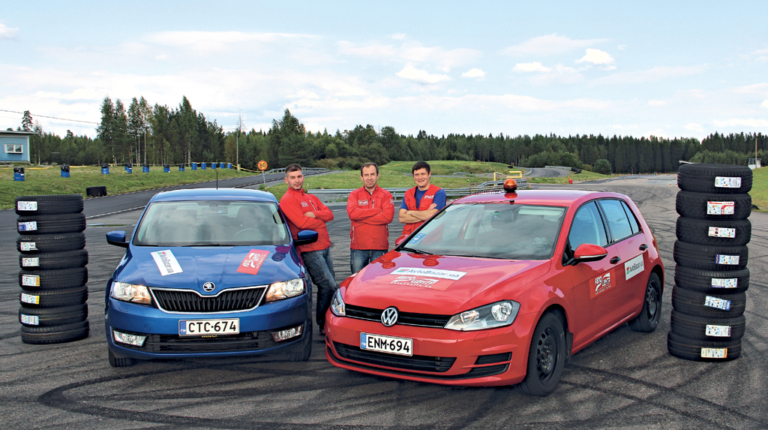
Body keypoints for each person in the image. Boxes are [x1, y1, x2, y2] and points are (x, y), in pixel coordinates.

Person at [279, 164, 336, 335]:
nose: (297, 180)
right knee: (328, 285)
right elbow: (302, 223)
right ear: (286, 180)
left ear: (303, 177)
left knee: (330, 286)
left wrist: (316, 215)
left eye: (299, 176)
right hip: (310, 249)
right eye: (293, 177)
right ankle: (323, 324)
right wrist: (321, 221)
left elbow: (330, 214)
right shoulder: (287, 200)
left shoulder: (311, 197)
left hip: (325, 246)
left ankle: (328, 322)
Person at [347, 162, 394, 273]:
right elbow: (352, 214)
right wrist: (377, 211)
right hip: (358, 248)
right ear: (361, 177)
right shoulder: (354, 195)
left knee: (379, 280)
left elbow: (387, 217)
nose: (369, 178)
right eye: (366, 175)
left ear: (378, 175)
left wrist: (361, 218)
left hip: (380, 248)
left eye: (372, 174)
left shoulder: (386, 195)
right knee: (357, 280)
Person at [396, 161, 447, 244]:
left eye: (423, 174)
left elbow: (433, 216)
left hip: (431, 242)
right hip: (409, 241)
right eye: (416, 175)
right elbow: (402, 218)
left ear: (429, 174)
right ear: (413, 176)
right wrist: (426, 214)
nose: (420, 177)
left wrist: (410, 212)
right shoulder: (408, 193)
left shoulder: (439, 193)